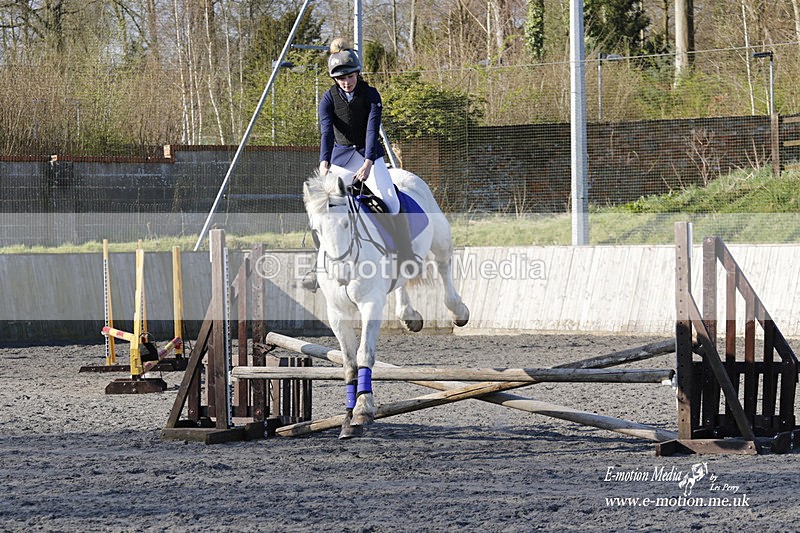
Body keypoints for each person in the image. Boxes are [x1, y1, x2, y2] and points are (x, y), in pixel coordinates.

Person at [302, 38, 416, 292]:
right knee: (322, 207)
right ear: (334, 79)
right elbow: (326, 133)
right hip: (342, 158)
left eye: (350, 76)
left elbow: (371, 129)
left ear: (357, 73)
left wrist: (367, 163)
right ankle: (316, 265)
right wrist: (324, 162)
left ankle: (406, 255)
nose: (346, 81)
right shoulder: (328, 99)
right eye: (341, 78)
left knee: (391, 199)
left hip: (369, 156)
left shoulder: (371, 95)